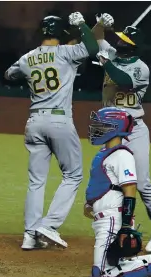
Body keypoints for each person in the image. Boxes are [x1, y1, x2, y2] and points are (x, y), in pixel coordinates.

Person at [5, 13, 99, 250]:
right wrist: (82, 25)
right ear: (61, 34)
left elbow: (9, 74)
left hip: (34, 122)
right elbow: (92, 46)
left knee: (36, 181)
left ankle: (29, 235)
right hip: (59, 121)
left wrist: (27, 70)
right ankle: (49, 225)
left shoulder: (27, 58)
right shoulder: (67, 53)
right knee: (73, 174)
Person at [90, 13, 151, 252]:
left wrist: (106, 63)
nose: (119, 42)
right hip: (111, 129)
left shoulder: (140, 68)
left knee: (142, 183)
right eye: (119, 38)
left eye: (124, 40)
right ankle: (121, 228)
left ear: (133, 46)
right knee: (112, 181)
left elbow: (122, 80)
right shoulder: (112, 54)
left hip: (134, 130)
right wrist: (100, 24)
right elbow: (94, 39)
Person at [84, 107, 151, 277]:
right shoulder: (104, 153)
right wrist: (90, 203)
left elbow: (130, 190)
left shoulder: (122, 155)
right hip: (104, 219)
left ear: (114, 128)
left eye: (101, 125)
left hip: (114, 219)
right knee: (111, 267)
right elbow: (102, 182)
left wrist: (125, 226)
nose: (96, 129)